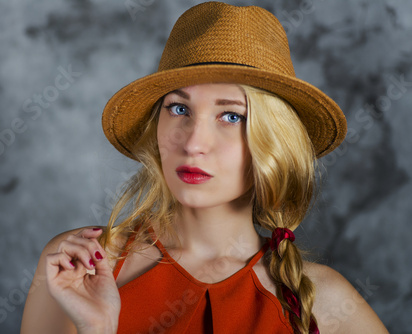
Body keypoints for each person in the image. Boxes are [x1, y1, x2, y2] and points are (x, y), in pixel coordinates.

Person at [21, 2, 389, 333]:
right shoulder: (79, 269)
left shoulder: (324, 301)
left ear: (274, 141)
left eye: (231, 116)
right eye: (179, 109)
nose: (193, 143)